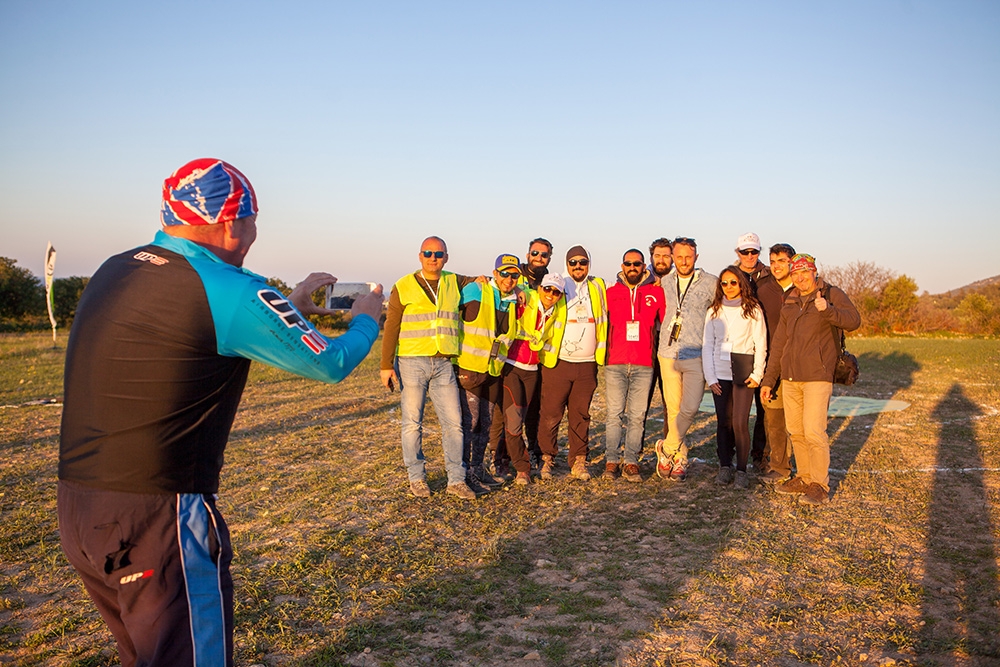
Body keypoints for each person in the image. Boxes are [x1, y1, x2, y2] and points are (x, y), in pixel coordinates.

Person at [58, 158, 384, 667]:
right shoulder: (228, 288)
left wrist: (288, 303)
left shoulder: (116, 267)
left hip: (81, 505)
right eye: (253, 221)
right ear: (231, 222)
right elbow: (331, 363)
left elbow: (190, 331)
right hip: (159, 511)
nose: (254, 233)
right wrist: (367, 320)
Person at [380, 237, 478, 500]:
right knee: (412, 424)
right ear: (419, 256)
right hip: (412, 362)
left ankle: (456, 480)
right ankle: (417, 478)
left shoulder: (454, 281)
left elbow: (480, 281)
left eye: (438, 253)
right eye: (428, 253)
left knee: (454, 424)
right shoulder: (403, 286)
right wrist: (386, 364)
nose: (433, 258)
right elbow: (391, 326)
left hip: (444, 362)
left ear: (446, 257)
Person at [761, 254, 861, 506]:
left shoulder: (831, 294)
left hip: (818, 375)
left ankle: (820, 485)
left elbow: (853, 320)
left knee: (814, 431)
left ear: (815, 272)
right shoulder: (791, 300)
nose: (801, 277)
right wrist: (769, 379)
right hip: (791, 377)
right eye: (796, 273)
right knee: (795, 430)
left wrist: (828, 311)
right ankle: (804, 477)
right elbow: (780, 344)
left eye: (805, 272)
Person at [537, 245, 608, 481]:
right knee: (551, 414)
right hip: (558, 363)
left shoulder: (598, 286)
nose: (578, 267)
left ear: (589, 264)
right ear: (567, 265)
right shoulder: (560, 284)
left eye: (583, 262)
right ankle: (546, 458)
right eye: (573, 262)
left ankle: (578, 460)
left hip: (587, 364)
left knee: (581, 415)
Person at [454, 254, 520, 494]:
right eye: (504, 274)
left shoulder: (512, 300)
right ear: (495, 273)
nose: (509, 279)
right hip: (469, 368)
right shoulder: (476, 290)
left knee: (486, 422)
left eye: (514, 275)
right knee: (469, 423)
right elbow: (450, 302)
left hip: (493, 371)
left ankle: (477, 468)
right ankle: (463, 474)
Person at [654, 237, 717, 481]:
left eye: (688, 257)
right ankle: (679, 459)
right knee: (673, 410)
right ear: (673, 257)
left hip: (696, 353)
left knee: (690, 408)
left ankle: (666, 448)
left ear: (696, 257)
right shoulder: (666, 281)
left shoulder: (711, 283)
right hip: (667, 354)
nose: (683, 261)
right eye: (678, 257)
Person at [498, 272, 565, 484]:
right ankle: (521, 467)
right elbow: (503, 294)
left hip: (534, 370)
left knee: (531, 417)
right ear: (539, 288)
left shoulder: (557, 311)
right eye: (547, 289)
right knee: (513, 419)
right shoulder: (526, 299)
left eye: (556, 292)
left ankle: (530, 457)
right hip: (512, 366)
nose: (550, 294)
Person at [703, 267, 767, 489]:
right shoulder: (713, 311)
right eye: (724, 283)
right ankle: (724, 466)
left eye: (733, 283)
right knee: (724, 422)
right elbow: (707, 345)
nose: (729, 287)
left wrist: (757, 374)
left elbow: (761, 343)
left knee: (740, 422)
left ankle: (741, 470)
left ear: (741, 284)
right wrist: (710, 377)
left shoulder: (753, 309)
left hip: (744, 373)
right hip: (720, 375)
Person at [604, 249, 665, 483]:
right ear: (622, 266)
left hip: (644, 363)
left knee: (638, 417)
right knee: (613, 415)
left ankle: (631, 461)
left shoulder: (656, 293)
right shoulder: (611, 293)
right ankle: (611, 460)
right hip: (615, 363)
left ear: (643, 266)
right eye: (628, 264)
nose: (632, 267)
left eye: (637, 264)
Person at [755, 242, 796, 485]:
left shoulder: (803, 289)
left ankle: (805, 468)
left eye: (782, 260)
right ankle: (779, 466)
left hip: (798, 364)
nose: (777, 266)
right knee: (774, 419)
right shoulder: (763, 290)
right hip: (772, 362)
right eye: (773, 261)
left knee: (800, 421)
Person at [734, 232, 771, 471]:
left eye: (754, 251)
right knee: (735, 410)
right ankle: (729, 455)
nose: (750, 256)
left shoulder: (771, 277)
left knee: (764, 409)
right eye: (745, 252)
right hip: (739, 352)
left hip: (767, 347)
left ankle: (760, 455)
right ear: (737, 253)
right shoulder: (730, 276)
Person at [644, 237, 673, 442]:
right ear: (651, 256)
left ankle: (671, 448)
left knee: (671, 401)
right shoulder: (641, 278)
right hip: (646, 343)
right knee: (641, 401)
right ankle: (633, 452)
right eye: (657, 256)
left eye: (666, 256)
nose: (661, 260)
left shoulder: (679, 280)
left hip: (671, 343)